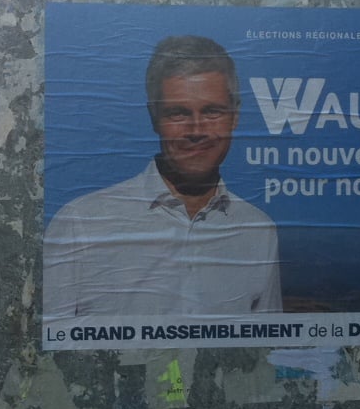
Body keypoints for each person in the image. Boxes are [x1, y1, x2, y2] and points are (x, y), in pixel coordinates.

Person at [44, 35, 281, 318]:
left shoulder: (259, 231)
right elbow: (49, 349)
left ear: (235, 115)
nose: (197, 130)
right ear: (153, 117)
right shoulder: (79, 224)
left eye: (212, 111)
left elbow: (264, 352)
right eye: (178, 113)